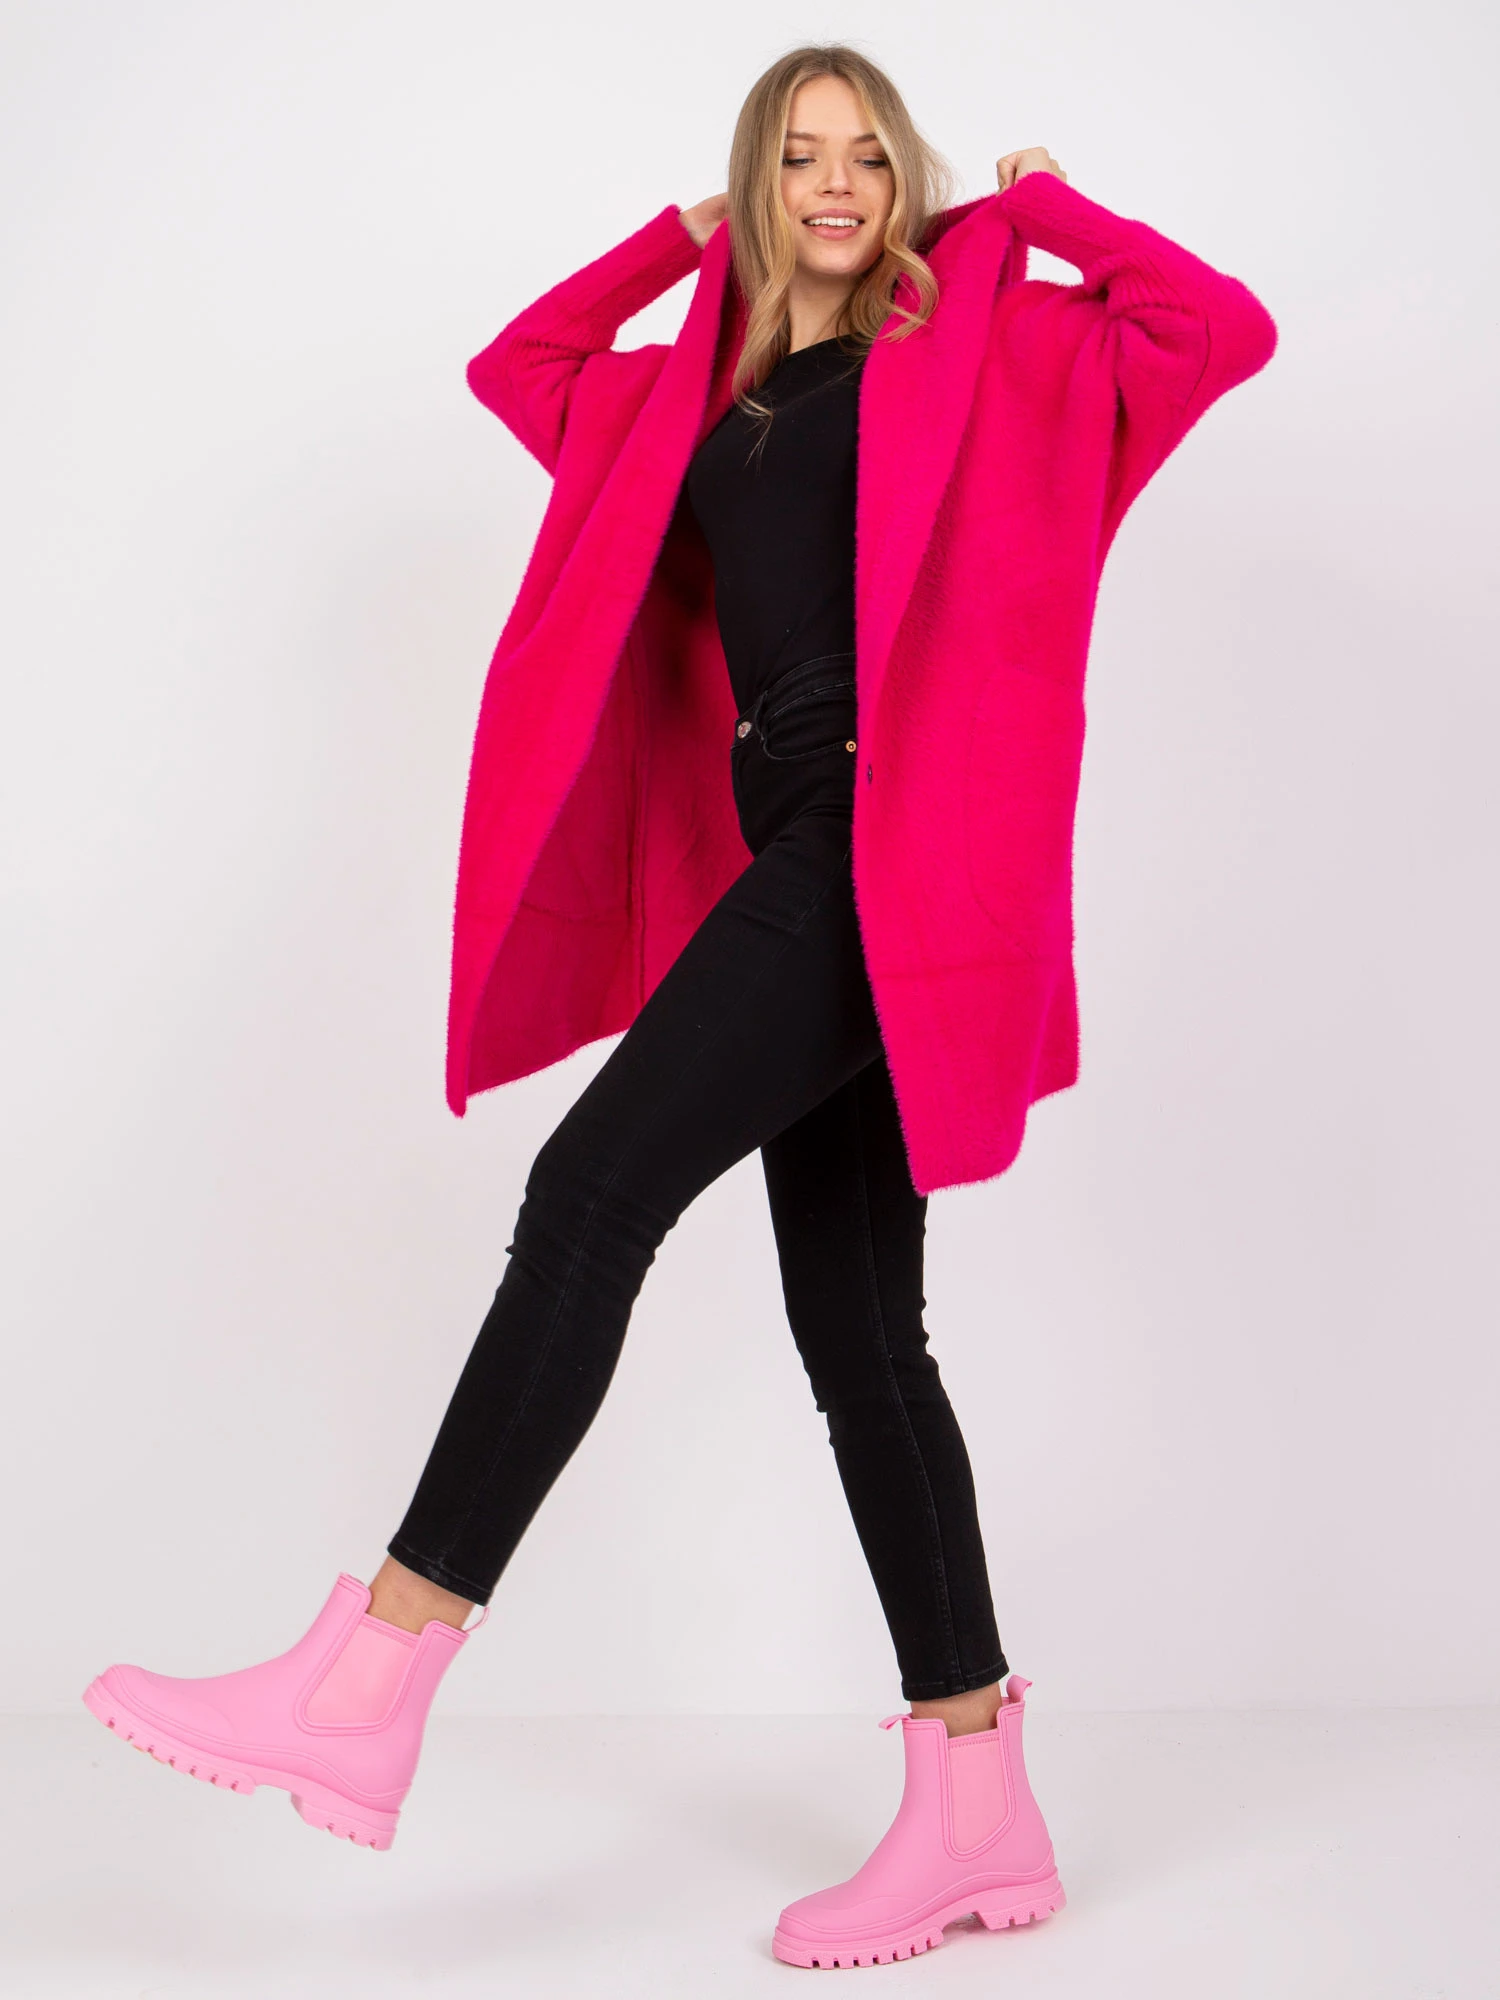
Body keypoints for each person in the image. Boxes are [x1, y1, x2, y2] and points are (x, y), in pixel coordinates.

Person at [83, 43, 1276, 1971]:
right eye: (797, 157)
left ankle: (371, 1679)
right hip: (796, 849)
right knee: (860, 1330)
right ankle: (979, 1809)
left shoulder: (987, 348)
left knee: (591, 1197)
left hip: (884, 855)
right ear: (759, 178)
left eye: (867, 154)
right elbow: (521, 368)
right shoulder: (696, 396)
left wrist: (1041, 209)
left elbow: (1218, 331)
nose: (837, 184)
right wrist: (676, 240)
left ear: (908, 177)